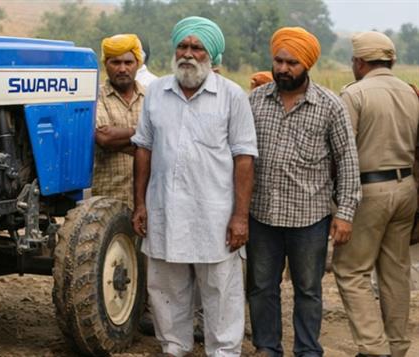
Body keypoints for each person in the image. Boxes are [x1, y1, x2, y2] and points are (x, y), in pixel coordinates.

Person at [131, 16, 257, 357]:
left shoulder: (232, 96)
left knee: (221, 290)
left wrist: (240, 217)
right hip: (164, 210)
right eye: (182, 47)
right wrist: (140, 204)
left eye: (197, 48)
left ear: (212, 55)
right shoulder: (157, 91)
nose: (188, 54)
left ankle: (224, 353)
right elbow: (144, 148)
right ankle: (174, 349)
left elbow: (245, 158)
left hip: (214, 216)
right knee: (165, 288)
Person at [247, 27, 361, 357]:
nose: (283, 68)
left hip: (310, 218)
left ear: (307, 64)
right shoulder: (254, 100)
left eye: (292, 62)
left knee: (308, 290)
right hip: (261, 214)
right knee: (261, 288)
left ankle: (308, 350)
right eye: (278, 60)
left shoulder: (330, 106)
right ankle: (267, 347)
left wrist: (345, 213)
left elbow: (348, 161)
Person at [333, 31, 419, 357]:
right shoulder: (411, 93)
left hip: (369, 190)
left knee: (351, 271)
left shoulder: (354, 94)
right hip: (407, 188)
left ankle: (373, 348)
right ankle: (396, 348)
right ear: (391, 60)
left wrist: (341, 203)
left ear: (359, 61)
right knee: (395, 272)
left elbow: (344, 153)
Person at [93, 34, 146, 208]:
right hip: (106, 199)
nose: (122, 69)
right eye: (115, 62)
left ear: (138, 63)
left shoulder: (152, 97)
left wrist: (120, 138)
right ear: (105, 64)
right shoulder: (94, 97)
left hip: (147, 201)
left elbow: (166, 138)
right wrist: (146, 138)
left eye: (128, 63)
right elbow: (104, 138)